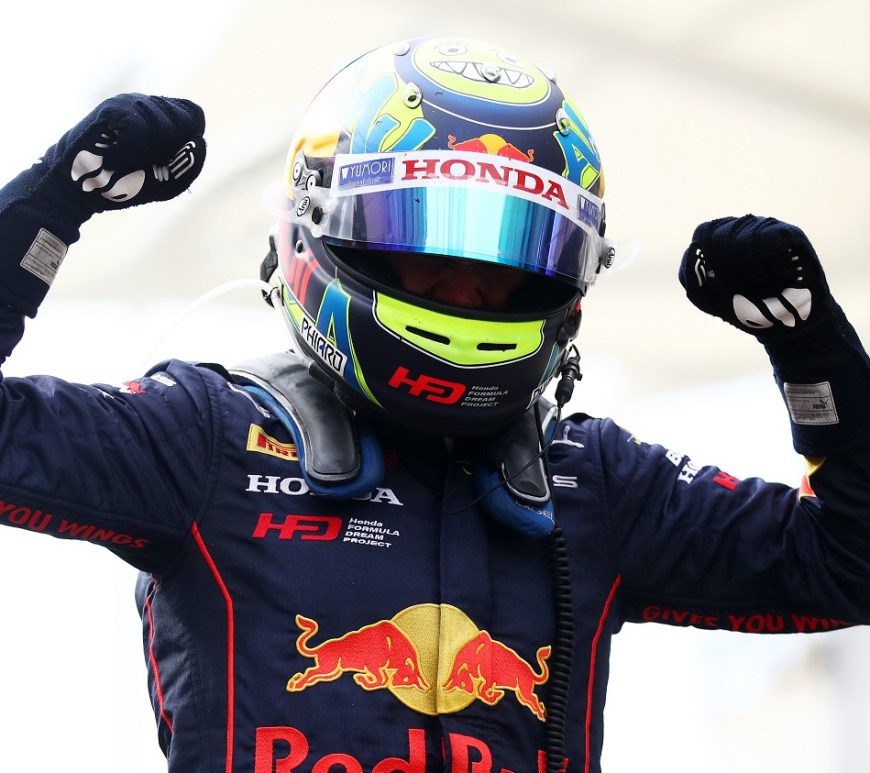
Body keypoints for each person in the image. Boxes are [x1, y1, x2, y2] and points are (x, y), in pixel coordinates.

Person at [1, 35, 869, 773]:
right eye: (428, 247)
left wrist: (811, 349)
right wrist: (50, 204)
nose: (466, 289)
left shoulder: (596, 481)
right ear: (325, 232)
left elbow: (850, 561)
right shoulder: (208, 437)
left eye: (507, 260)